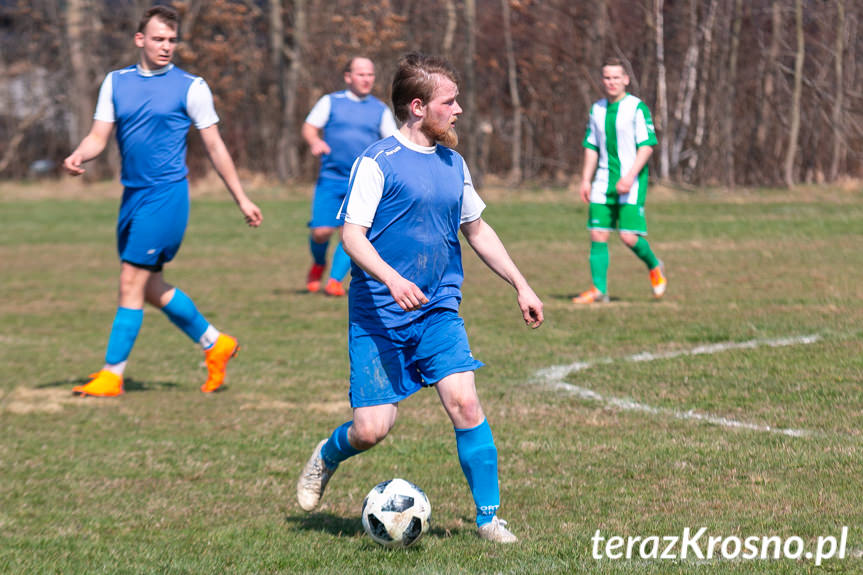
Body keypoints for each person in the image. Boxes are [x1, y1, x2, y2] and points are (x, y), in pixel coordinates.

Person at [296, 52, 544, 544]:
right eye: (448, 102)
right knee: (371, 430)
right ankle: (327, 455)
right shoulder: (377, 162)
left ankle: (488, 518)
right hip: (379, 315)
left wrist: (521, 283)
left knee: (465, 404)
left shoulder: (454, 163)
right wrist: (391, 279)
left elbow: (477, 229)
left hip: (437, 310)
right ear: (417, 107)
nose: (457, 111)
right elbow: (352, 238)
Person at [62, 5, 263, 397]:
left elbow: (215, 148)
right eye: (158, 39)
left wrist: (241, 198)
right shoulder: (115, 82)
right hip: (132, 198)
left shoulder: (192, 87)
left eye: (172, 40)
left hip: (166, 198)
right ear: (140, 39)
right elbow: (98, 137)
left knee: (129, 281)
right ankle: (215, 343)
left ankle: (112, 374)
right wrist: (79, 155)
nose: (166, 46)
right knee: (150, 287)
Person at [573, 57, 667, 304]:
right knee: (598, 234)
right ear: (602, 80)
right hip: (603, 182)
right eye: (607, 77)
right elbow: (591, 146)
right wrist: (585, 179)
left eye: (616, 77)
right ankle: (599, 290)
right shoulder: (597, 109)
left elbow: (646, 146)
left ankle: (655, 265)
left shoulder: (636, 108)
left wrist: (629, 177)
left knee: (628, 236)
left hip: (631, 182)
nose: (611, 82)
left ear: (625, 79)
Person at [302, 57, 398, 297]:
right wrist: (315, 141)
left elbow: (392, 142)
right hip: (331, 178)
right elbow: (309, 127)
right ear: (348, 77)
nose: (367, 79)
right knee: (321, 231)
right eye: (361, 74)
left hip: (362, 182)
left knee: (352, 231)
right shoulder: (330, 102)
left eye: (370, 75)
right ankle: (318, 263)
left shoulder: (380, 109)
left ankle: (334, 280)